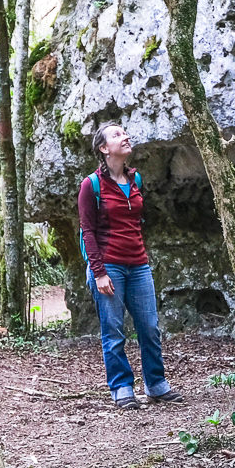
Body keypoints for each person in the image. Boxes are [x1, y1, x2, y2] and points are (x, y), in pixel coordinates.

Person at [78, 124, 181, 410]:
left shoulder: (136, 179)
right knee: (113, 330)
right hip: (108, 266)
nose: (125, 136)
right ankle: (121, 387)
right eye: (116, 135)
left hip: (138, 265)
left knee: (149, 327)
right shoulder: (91, 185)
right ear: (103, 148)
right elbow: (87, 231)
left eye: (124, 132)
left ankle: (156, 384)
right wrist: (99, 272)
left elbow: (136, 223)